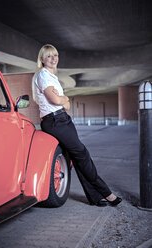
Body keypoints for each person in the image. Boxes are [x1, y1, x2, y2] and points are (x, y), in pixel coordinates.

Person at [32, 44, 122, 207]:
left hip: (63, 119)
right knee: (82, 154)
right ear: (42, 60)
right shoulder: (43, 75)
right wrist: (62, 99)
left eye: (55, 55)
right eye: (49, 56)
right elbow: (57, 100)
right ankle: (107, 193)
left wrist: (63, 100)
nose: (53, 59)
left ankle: (94, 197)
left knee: (77, 157)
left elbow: (65, 105)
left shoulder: (53, 78)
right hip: (55, 122)